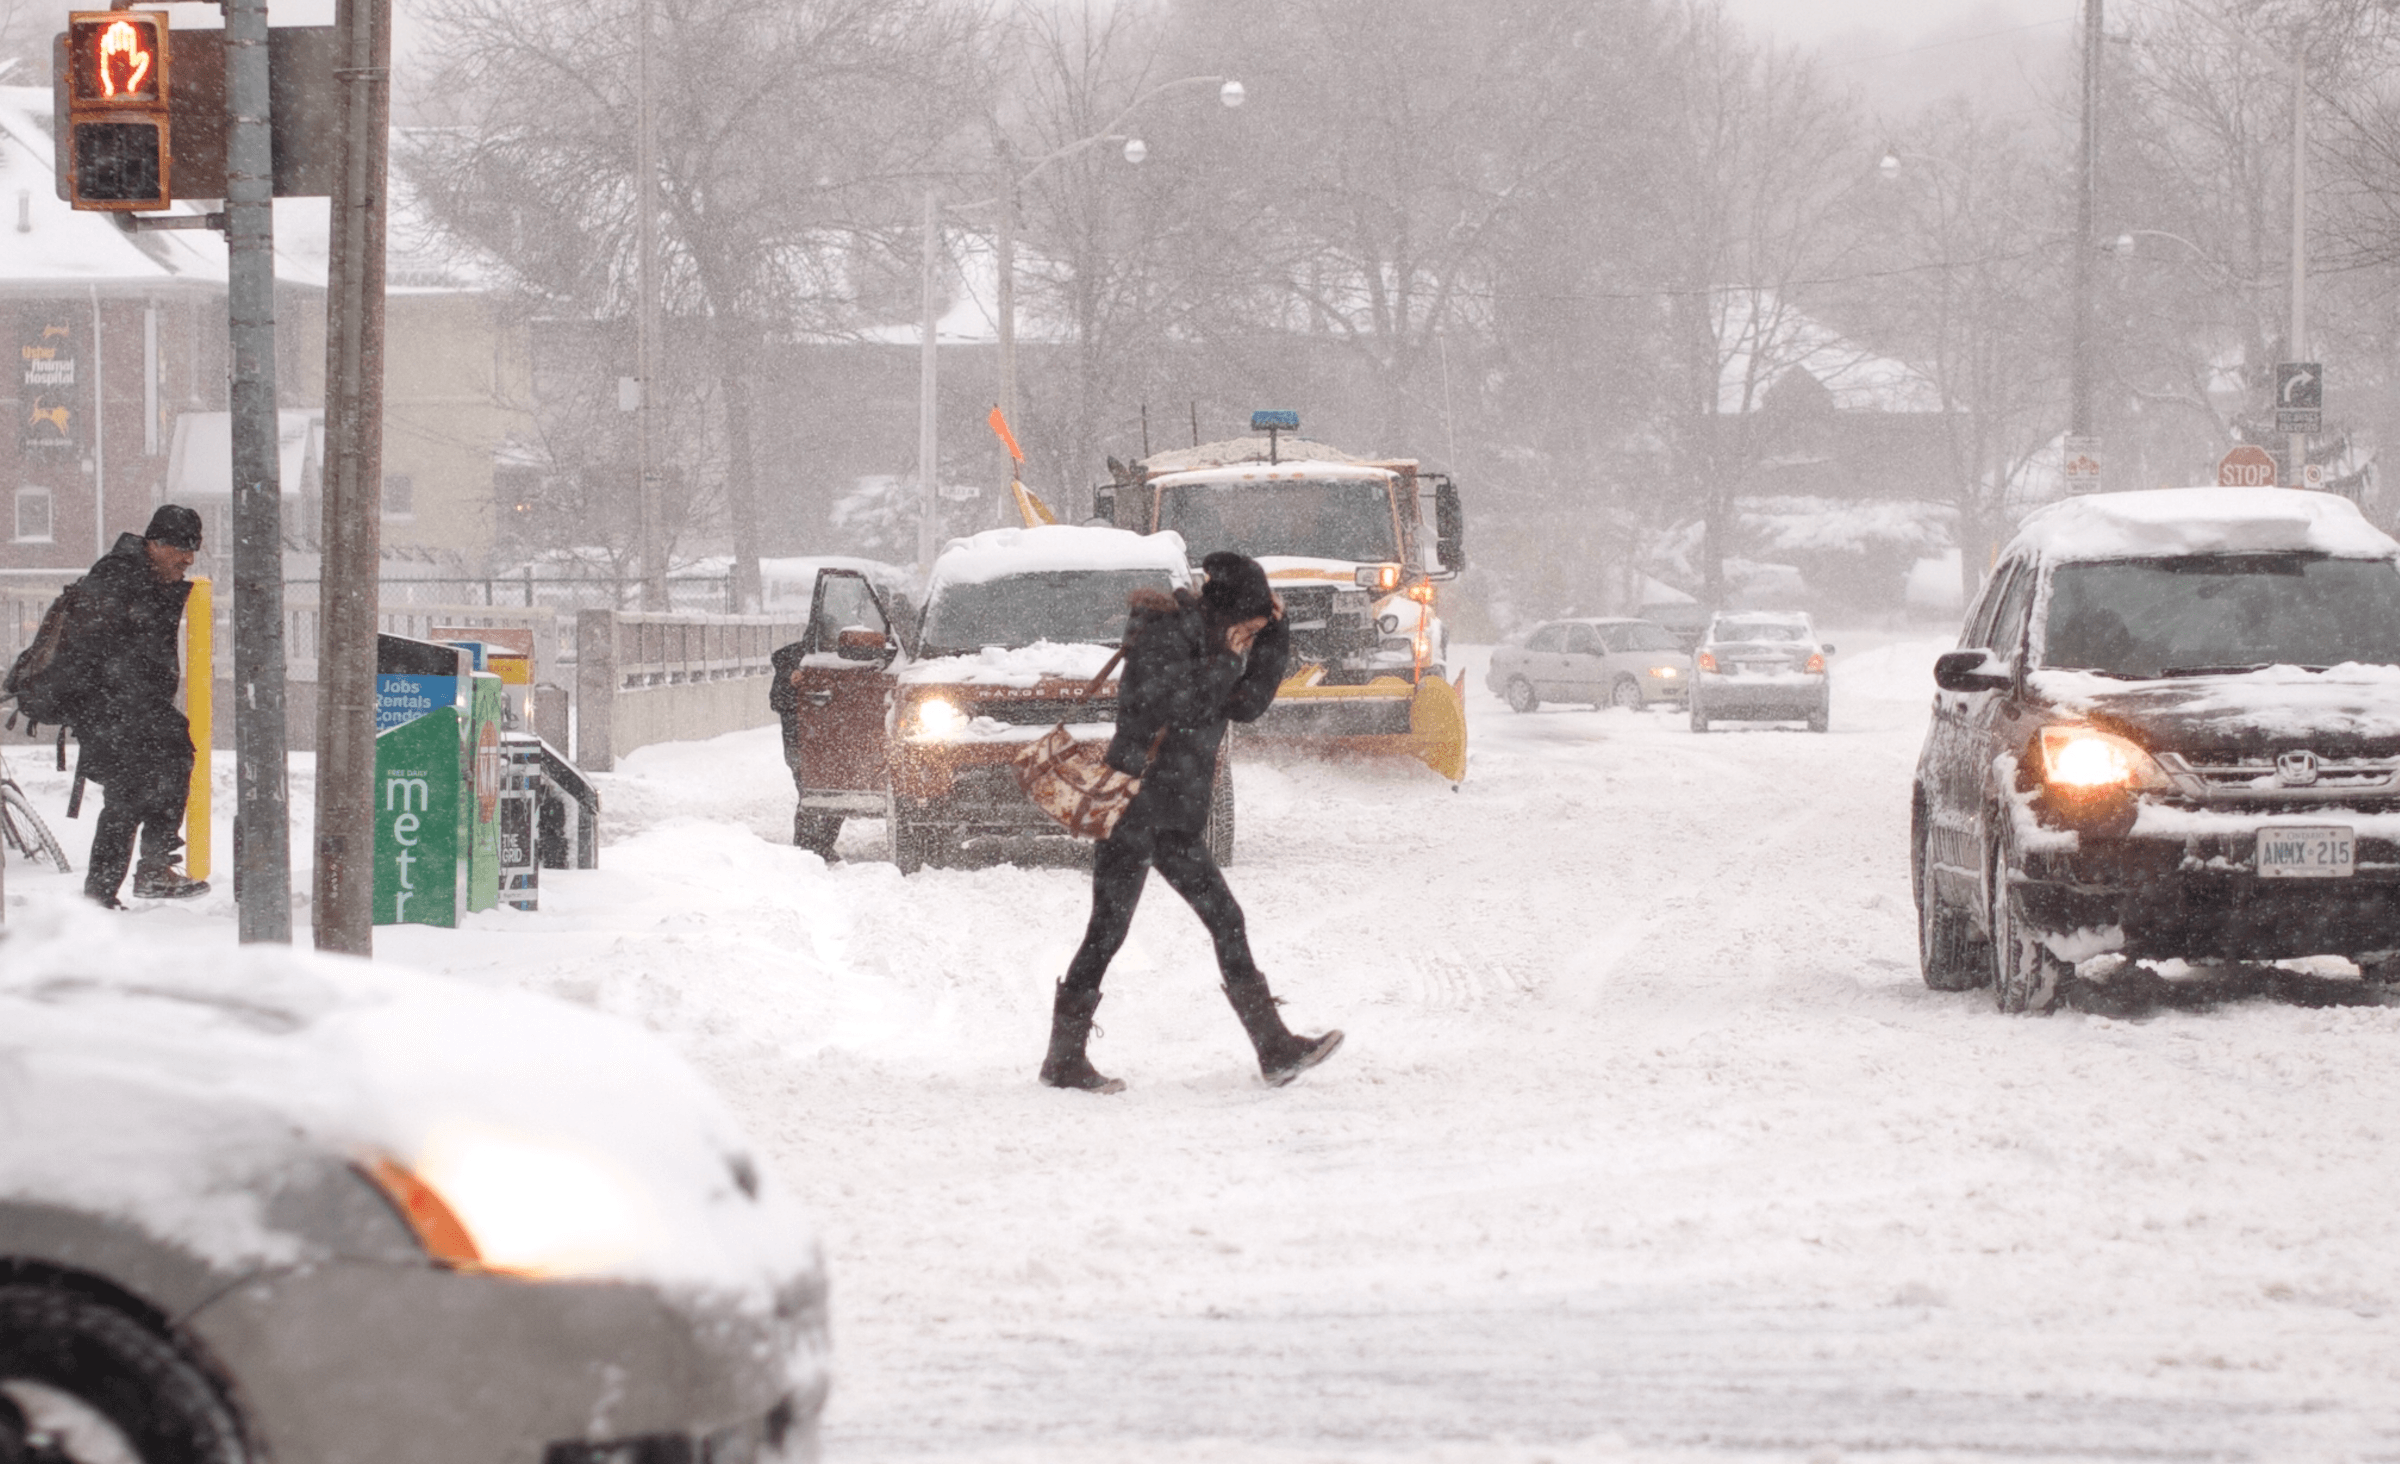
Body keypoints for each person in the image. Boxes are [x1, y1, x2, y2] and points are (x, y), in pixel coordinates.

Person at [1040, 550, 1344, 1093]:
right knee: (1118, 931)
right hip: (1135, 809)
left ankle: (1272, 1047)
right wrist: (1228, 658)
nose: (1248, 636)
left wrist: (1276, 634)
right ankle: (1065, 1061)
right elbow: (1172, 707)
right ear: (1229, 611)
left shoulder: (1212, 639)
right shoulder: (1165, 633)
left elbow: (1247, 705)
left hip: (1172, 814)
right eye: (1249, 624)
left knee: (1199, 922)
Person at [69, 505, 209, 908]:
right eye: (181, 549)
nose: (188, 559)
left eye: (193, 550)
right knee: (141, 784)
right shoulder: (119, 577)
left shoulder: (141, 576)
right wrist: (125, 701)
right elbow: (100, 650)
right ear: (154, 543)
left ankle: (116, 887)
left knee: (136, 790)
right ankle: (143, 874)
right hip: (114, 708)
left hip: (128, 707)